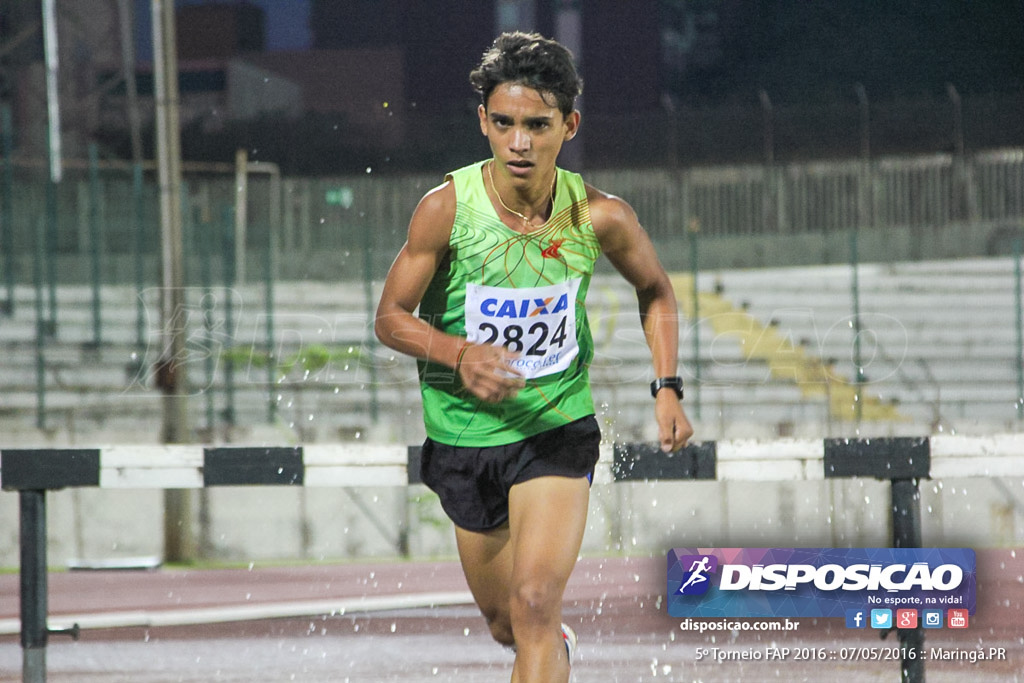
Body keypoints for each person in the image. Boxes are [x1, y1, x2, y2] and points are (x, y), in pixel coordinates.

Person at [374, 31, 693, 682]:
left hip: (554, 430)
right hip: (464, 438)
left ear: (568, 125)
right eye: (505, 123)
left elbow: (656, 290)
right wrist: (458, 352)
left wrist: (667, 385)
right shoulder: (445, 211)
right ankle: (553, 652)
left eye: (538, 126)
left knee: (535, 603)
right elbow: (389, 319)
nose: (520, 142)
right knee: (506, 623)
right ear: (484, 121)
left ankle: (545, 642)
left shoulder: (600, 216)